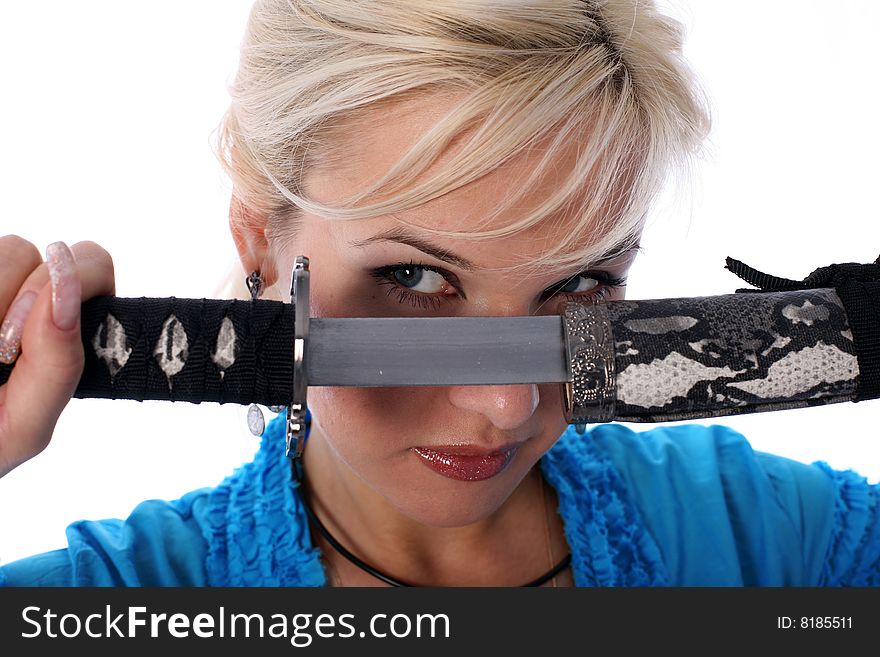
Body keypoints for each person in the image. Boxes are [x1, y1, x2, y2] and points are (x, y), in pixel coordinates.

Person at [0, 0, 877, 587]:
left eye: (581, 281)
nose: (506, 404)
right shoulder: (103, 599)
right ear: (259, 237)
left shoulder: (780, 543)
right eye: (414, 277)